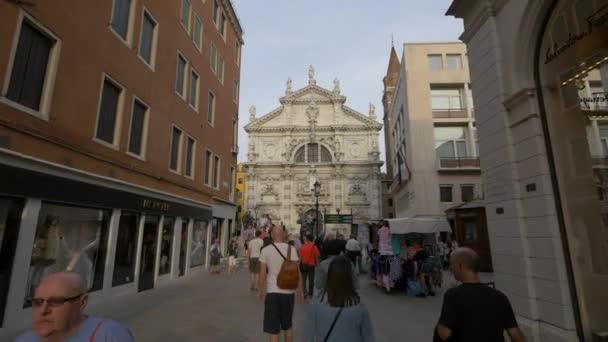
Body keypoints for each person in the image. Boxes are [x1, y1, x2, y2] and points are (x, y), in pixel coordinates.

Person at [435, 248, 527, 342]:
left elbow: (444, 333)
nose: (450, 268)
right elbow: (516, 334)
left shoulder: (453, 295)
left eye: (452, 264)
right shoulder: (499, 296)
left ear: (460, 266)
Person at [15, 272, 134, 342]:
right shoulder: (24, 340)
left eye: (56, 301)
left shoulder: (110, 334)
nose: (43, 311)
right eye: (38, 302)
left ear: (82, 302)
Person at [303, 256, 374, 342]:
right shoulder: (359, 307)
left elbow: (307, 336)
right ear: (350, 278)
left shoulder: (316, 304)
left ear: (329, 276)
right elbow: (368, 337)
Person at [258, 226, 304, 342]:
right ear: (283, 234)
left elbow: (262, 274)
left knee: (273, 328)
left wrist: (260, 291)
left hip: (273, 292)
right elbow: (298, 272)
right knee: (288, 326)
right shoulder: (291, 249)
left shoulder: (266, 250)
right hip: (288, 292)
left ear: (272, 235)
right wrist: (301, 291)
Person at [298, 234, 320, 299]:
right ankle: (310, 294)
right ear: (312, 239)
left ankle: (304, 292)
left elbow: (300, 258)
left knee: (304, 280)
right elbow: (317, 257)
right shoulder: (314, 247)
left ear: (307, 239)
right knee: (311, 280)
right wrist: (318, 266)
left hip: (303, 265)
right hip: (311, 265)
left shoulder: (302, 247)